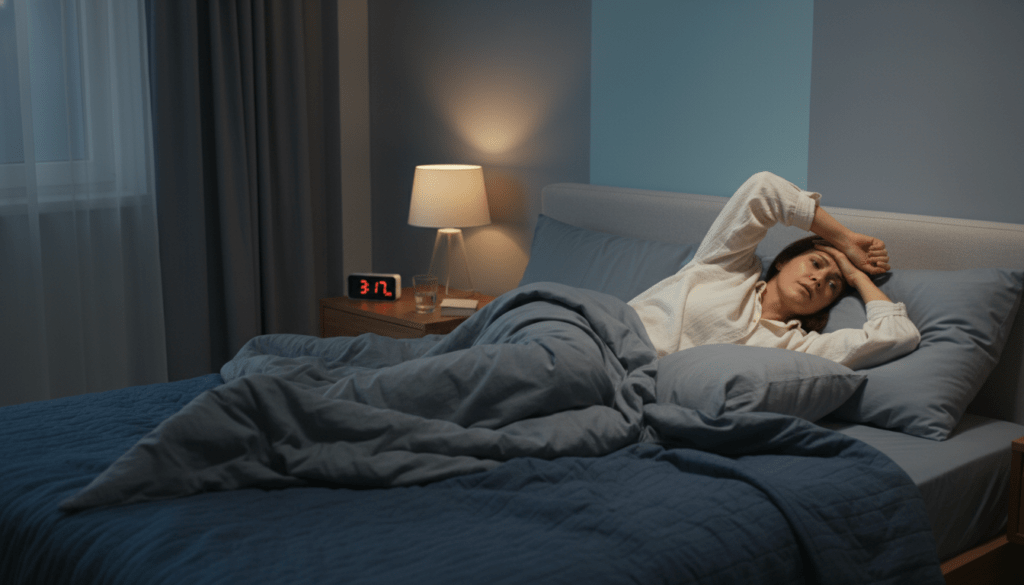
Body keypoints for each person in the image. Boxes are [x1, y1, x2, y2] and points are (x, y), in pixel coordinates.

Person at [628, 171, 920, 370]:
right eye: (816, 263)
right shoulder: (727, 267)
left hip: (632, 388)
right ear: (784, 260)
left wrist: (857, 277)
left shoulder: (797, 347)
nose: (819, 279)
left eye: (833, 285)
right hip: (609, 336)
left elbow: (897, 335)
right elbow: (765, 188)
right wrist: (845, 239)